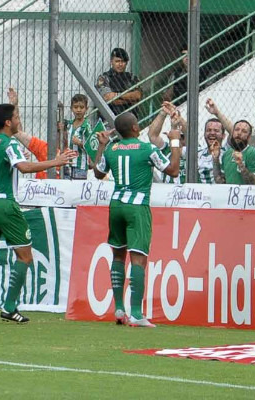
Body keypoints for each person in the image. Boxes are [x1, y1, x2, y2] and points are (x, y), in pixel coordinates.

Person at [0, 104, 76, 325]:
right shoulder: (9, 144)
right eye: (16, 116)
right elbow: (24, 167)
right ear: (8, 122)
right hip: (5, 205)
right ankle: (9, 306)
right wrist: (55, 162)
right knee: (25, 256)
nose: (19, 120)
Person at [93, 112, 181, 328]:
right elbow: (173, 170)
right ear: (134, 128)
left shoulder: (113, 149)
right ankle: (137, 314)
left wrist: (102, 145)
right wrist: (175, 141)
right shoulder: (147, 149)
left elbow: (97, 173)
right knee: (138, 259)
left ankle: (119, 308)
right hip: (137, 206)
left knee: (118, 256)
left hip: (116, 206)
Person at [204, 98, 255, 185]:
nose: (239, 133)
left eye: (244, 131)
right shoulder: (227, 154)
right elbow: (220, 182)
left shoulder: (253, 153)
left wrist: (241, 165)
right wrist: (215, 159)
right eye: (237, 130)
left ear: (249, 137)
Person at [146, 101, 187, 183]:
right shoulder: (167, 149)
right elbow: (152, 135)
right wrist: (163, 112)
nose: (179, 138)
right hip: (168, 192)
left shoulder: (195, 150)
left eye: (181, 136)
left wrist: (178, 118)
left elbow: (190, 133)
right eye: (177, 136)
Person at [95, 48, 143, 118]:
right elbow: (108, 97)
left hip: (130, 118)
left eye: (123, 61)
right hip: (109, 119)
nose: (120, 64)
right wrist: (129, 100)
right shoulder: (104, 77)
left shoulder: (132, 77)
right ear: (111, 62)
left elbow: (137, 95)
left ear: (126, 63)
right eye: (117, 61)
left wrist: (116, 95)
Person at [62, 93, 92, 180]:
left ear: (86, 109)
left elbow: (91, 147)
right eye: (75, 107)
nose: (78, 110)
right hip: (67, 163)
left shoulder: (87, 126)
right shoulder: (69, 125)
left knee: (78, 189)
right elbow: (64, 141)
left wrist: (79, 143)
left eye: (81, 107)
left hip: (80, 165)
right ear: (71, 108)